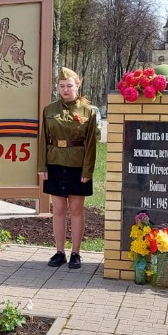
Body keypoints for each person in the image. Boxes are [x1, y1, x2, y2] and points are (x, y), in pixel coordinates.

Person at [38, 68, 98, 270]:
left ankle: (76, 253)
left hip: (77, 164)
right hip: (55, 162)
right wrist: (41, 166)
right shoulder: (49, 110)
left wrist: (87, 171)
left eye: (69, 86)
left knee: (77, 209)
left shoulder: (87, 111)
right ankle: (59, 252)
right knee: (59, 209)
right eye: (61, 86)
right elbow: (42, 140)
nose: (65, 90)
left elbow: (91, 144)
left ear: (78, 85)